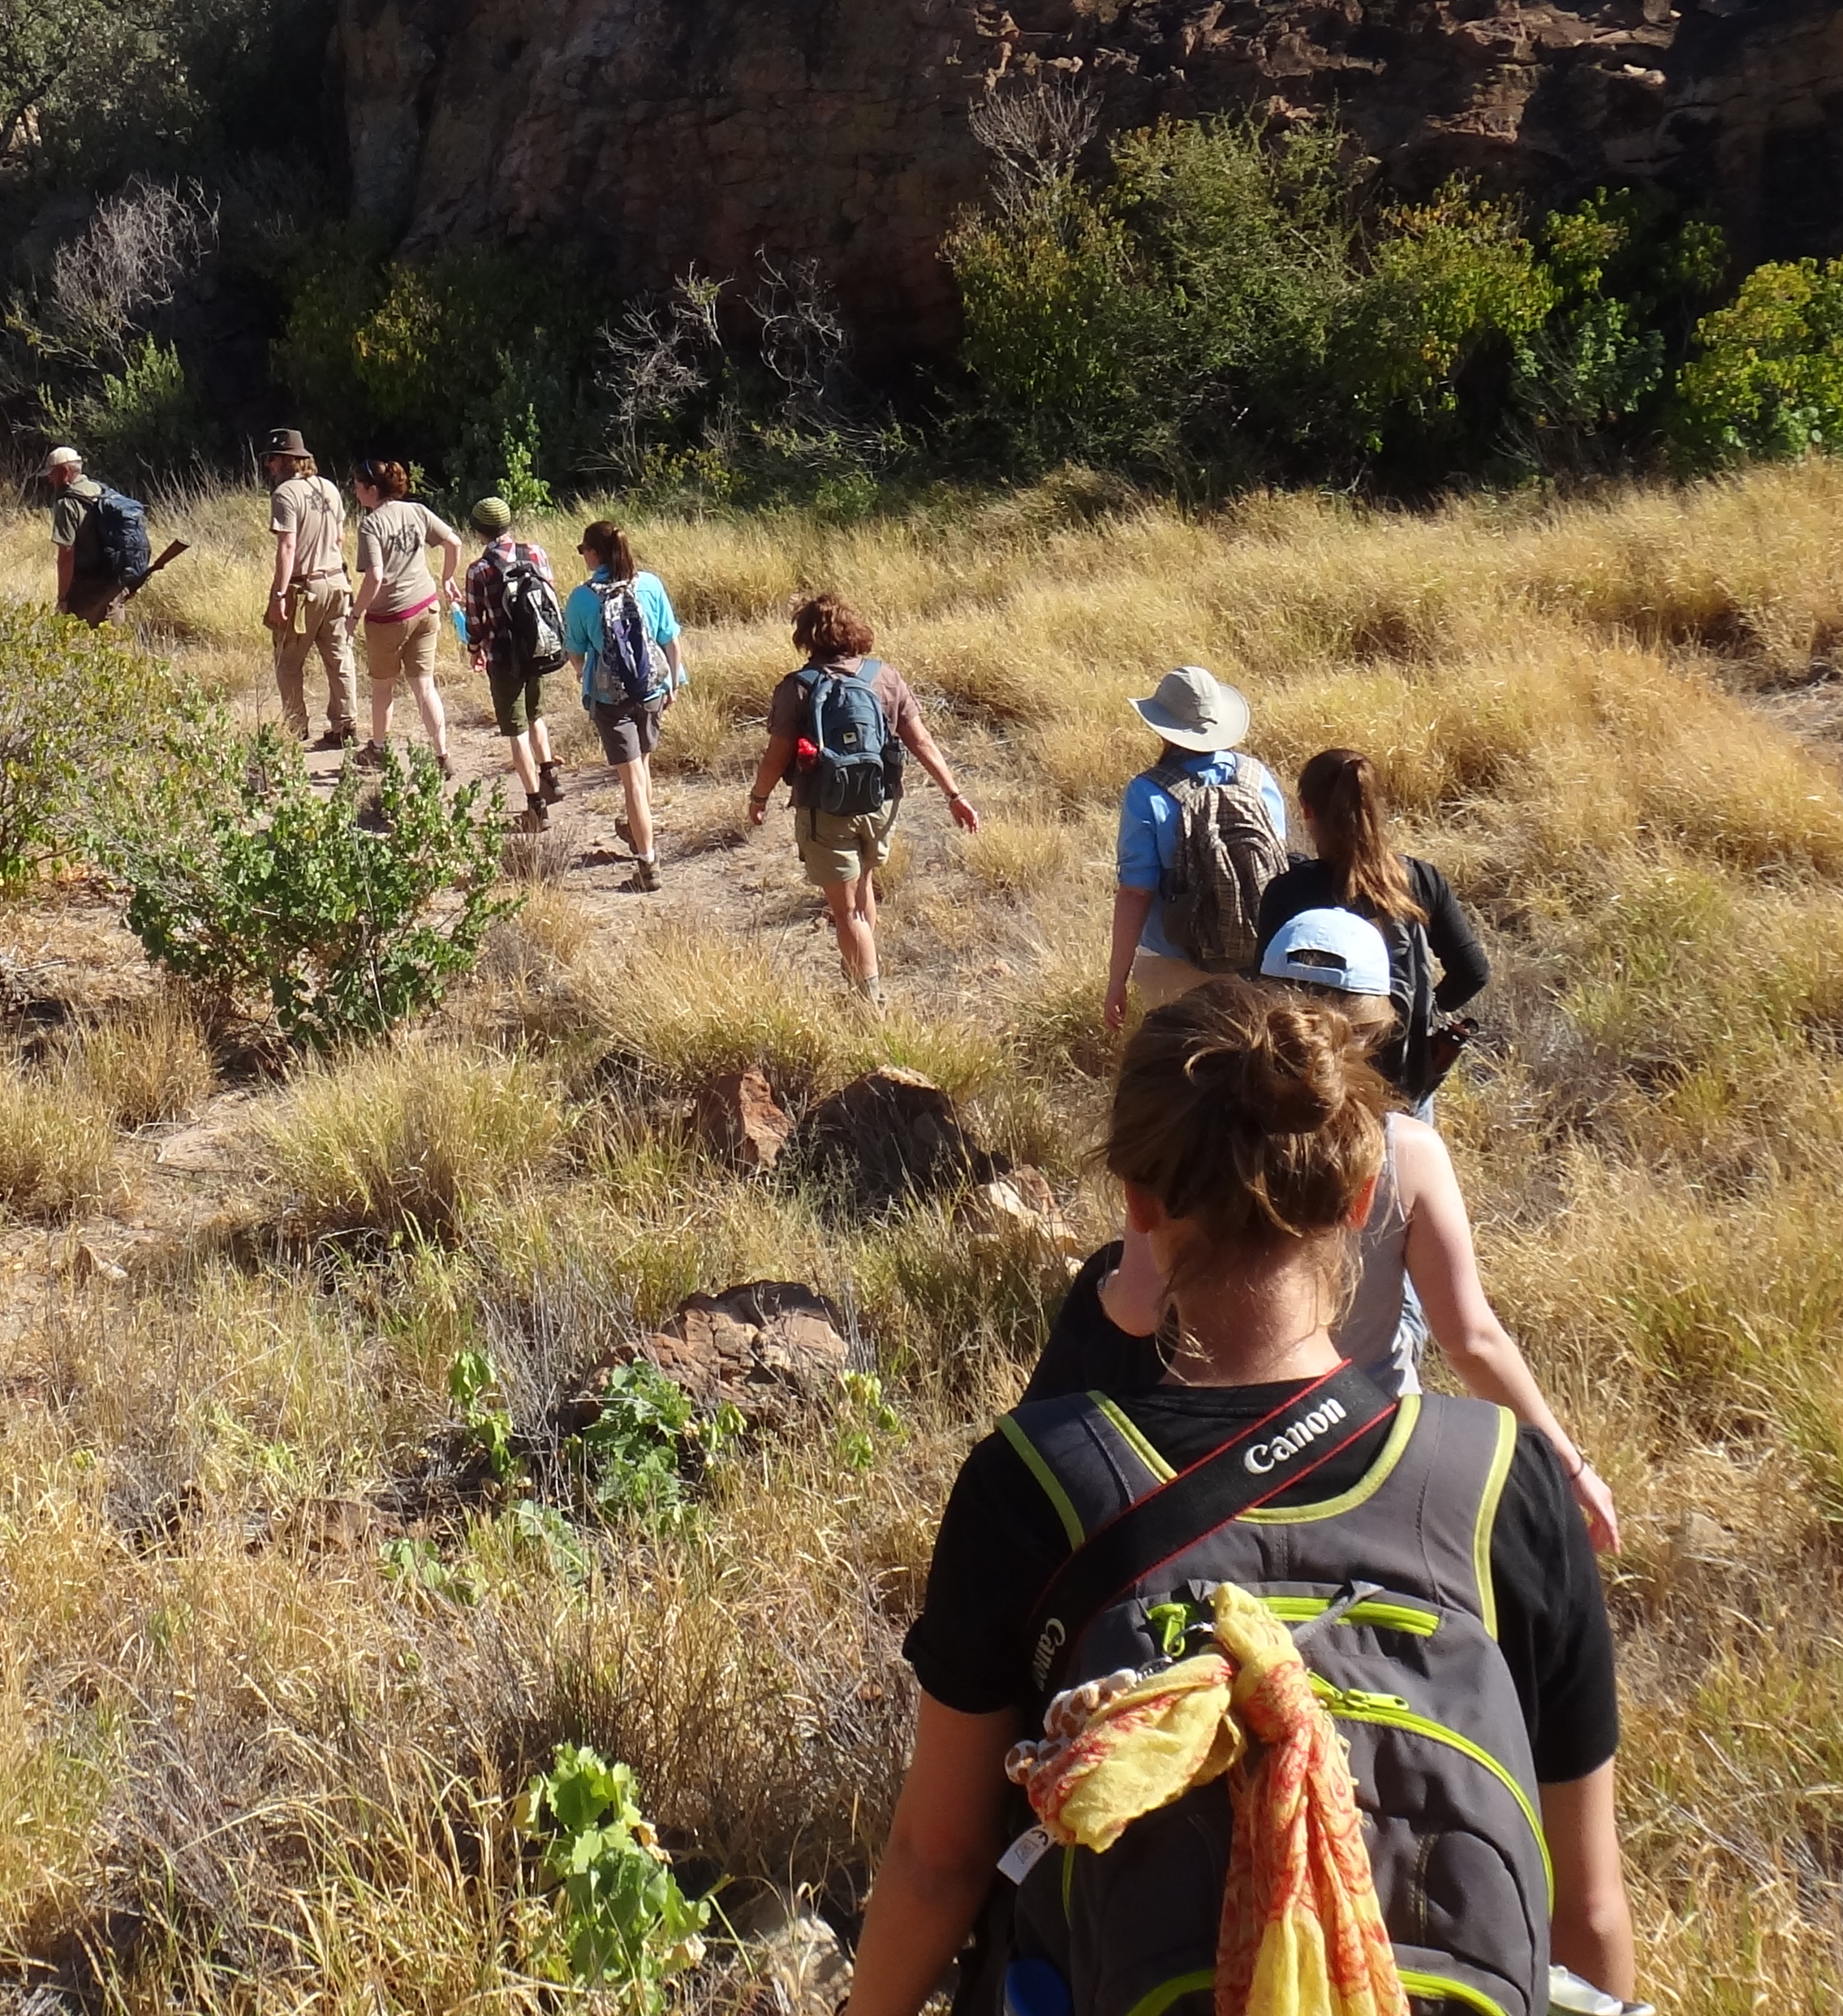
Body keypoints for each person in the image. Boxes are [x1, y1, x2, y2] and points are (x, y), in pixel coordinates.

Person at [825, 979, 1634, 2016]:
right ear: (1369, 1197)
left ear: (1139, 1206)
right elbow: (1586, 1898)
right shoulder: (1500, 1485)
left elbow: (936, 1854)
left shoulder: (1039, 1485)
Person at [1026, 911, 1621, 1554]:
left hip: (1216, 1450)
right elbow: (1470, 1338)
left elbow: (1139, 1311)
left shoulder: (1194, 1136)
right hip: (1376, 1444)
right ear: (1374, 1025)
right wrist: (1566, 1461)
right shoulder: (1411, 1152)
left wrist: (1101, 1288)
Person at [745, 592, 980, 1006]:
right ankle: (862, 977)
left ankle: (870, 1005)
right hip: (879, 802)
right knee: (863, 889)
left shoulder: (797, 688)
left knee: (845, 911)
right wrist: (953, 794)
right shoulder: (885, 677)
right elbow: (920, 740)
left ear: (806, 638)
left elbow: (777, 753)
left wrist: (759, 796)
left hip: (825, 807)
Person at [1255, 748, 1492, 1109]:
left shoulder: (1289, 891)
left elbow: (1265, 989)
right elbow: (1473, 971)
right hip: (1403, 1076)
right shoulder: (1421, 880)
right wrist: (1422, 1012)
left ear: (1306, 809)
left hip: (1319, 1077)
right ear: (1374, 806)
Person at [1104, 661, 1287, 1033]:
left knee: (1183, 1068)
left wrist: (1116, 980)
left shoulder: (1147, 792)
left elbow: (1136, 893)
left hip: (1173, 955)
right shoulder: (1256, 777)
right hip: (1257, 954)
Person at [559, 519, 687, 891]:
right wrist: (673, 683)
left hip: (610, 699)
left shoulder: (582, 597)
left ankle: (648, 864)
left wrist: (588, 682)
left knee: (631, 780)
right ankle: (637, 829)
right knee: (642, 767)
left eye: (583, 549)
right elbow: (671, 640)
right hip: (651, 691)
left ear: (595, 553)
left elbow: (576, 653)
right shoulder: (650, 584)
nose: (582, 555)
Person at [457, 498, 570, 829]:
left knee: (516, 729)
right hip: (538, 648)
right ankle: (550, 775)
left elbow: (475, 623)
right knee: (536, 715)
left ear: (479, 530)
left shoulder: (479, 570)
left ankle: (536, 806)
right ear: (508, 524)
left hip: (504, 657)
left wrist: (475, 649)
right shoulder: (535, 553)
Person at [351, 461, 463, 776]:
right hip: (426, 607)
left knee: (383, 687)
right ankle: (442, 755)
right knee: (425, 687)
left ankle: (378, 749)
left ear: (372, 489)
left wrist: (354, 614)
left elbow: (374, 577)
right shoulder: (416, 510)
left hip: (389, 617)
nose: (355, 490)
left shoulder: (371, 524)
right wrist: (447, 578)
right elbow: (454, 542)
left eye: (358, 485)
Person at [258, 427, 359, 752]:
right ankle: (345, 725)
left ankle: (295, 727)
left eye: (272, 459)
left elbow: (287, 547)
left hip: (305, 589)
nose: (269, 466)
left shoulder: (285, 495)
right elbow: (341, 538)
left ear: (286, 461)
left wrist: (278, 595)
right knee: (339, 656)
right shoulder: (329, 488)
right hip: (337, 582)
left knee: (287, 661)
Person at [41, 446, 148, 625]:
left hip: (87, 589)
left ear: (65, 472)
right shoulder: (102, 490)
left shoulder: (67, 503)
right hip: (116, 582)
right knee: (113, 646)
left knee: (76, 645)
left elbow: (66, 554)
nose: (50, 479)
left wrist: (63, 598)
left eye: (52, 473)